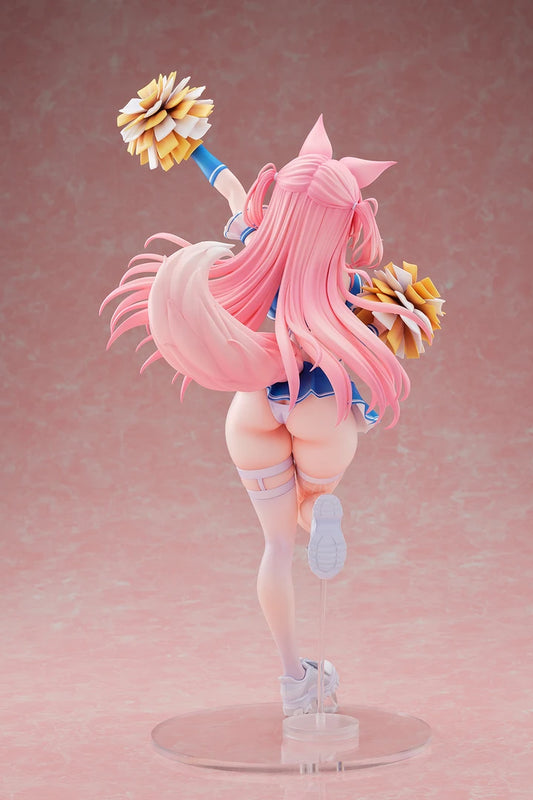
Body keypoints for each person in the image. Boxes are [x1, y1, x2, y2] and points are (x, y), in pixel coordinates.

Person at [102, 116, 437, 715]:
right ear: (347, 222)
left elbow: (227, 183)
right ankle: (318, 510)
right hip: (319, 403)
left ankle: (293, 680)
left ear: (281, 201)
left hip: (257, 401)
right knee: (321, 483)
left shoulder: (257, 239)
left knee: (275, 547)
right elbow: (404, 321)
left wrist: (192, 143)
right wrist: (405, 311)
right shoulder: (351, 284)